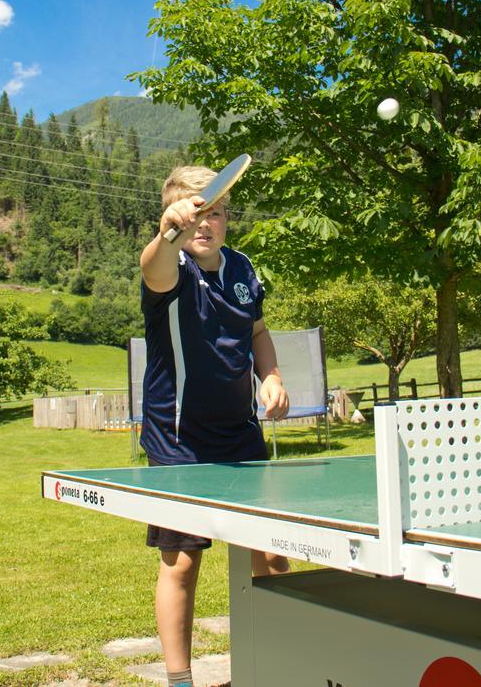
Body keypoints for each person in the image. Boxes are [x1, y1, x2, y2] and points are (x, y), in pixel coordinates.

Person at [139, 164, 292, 687]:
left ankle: (276, 663)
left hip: (241, 434)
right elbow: (151, 266)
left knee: (271, 553)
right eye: (195, 214)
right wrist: (166, 235)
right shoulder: (172, 267)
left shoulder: (245, 269)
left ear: (228, 219)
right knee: (181, 561)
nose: (206, 224)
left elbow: (258, 331)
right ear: (179, 220)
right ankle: (181, 681)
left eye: (216, 213)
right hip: (178, 440)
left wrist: (269, 374)